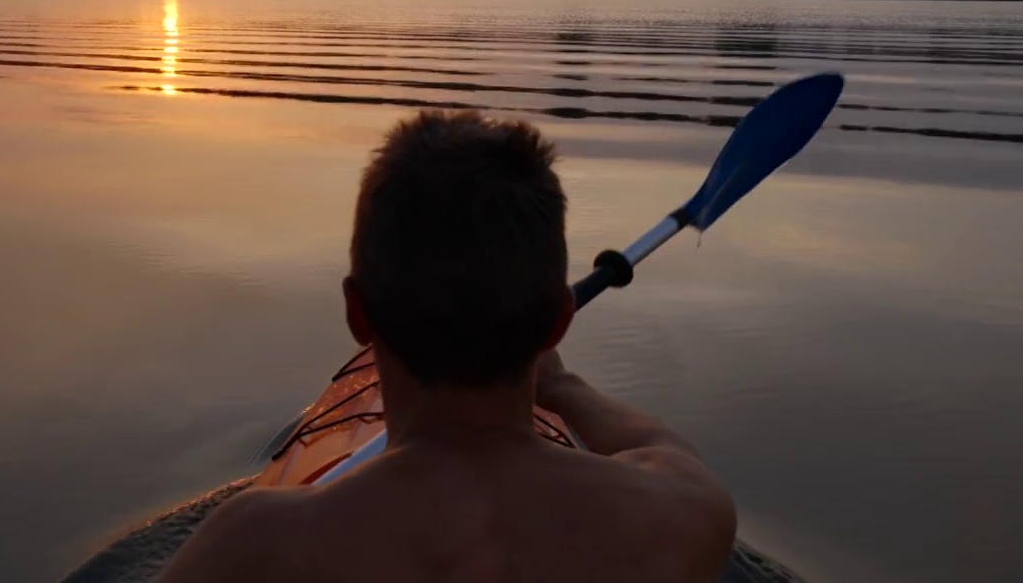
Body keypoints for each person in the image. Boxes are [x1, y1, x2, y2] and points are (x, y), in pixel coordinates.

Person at [158, 111, 736, 582]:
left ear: (358, 314)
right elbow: (662, 445)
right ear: (558, 322)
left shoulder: (259, 545)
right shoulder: (682, 514)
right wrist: (562, 386)